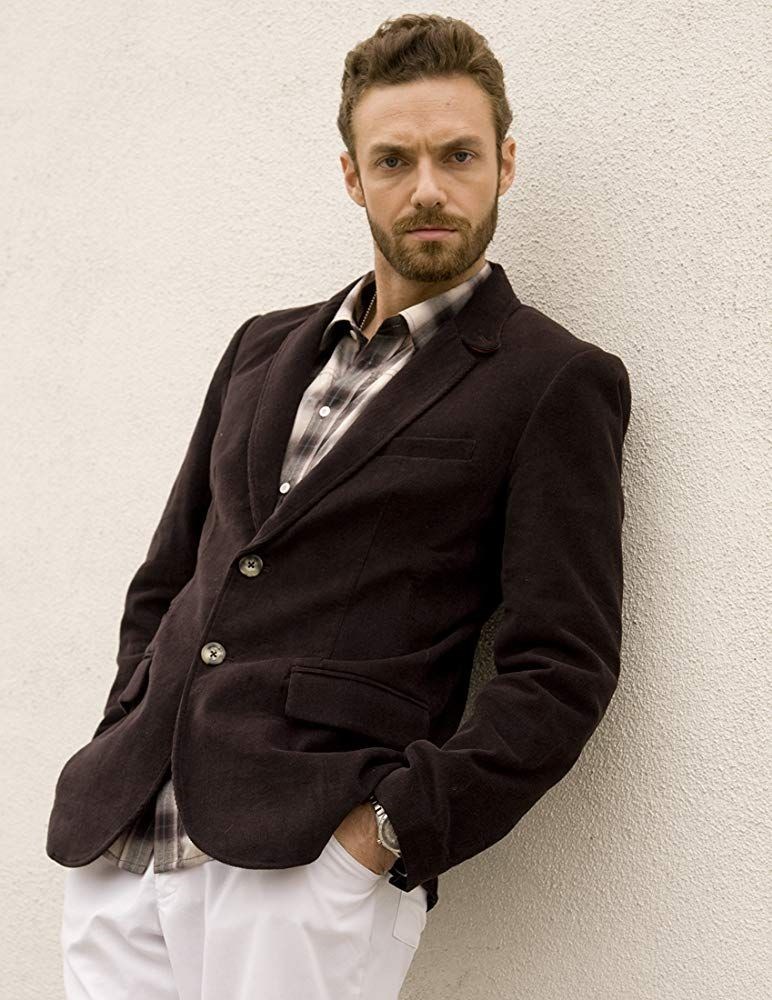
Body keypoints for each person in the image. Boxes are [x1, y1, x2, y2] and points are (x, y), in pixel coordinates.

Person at [47, 13, 632, 1000]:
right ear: (354, 176)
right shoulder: (261, 348)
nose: (429, 188)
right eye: (394, 160)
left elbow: (562, 666)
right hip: (127, 841)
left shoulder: (550, 381)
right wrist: (125, 726)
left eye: (458, 155)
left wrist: (389, 833)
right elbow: (171, 575)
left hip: (306, 864)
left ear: (505, 163)